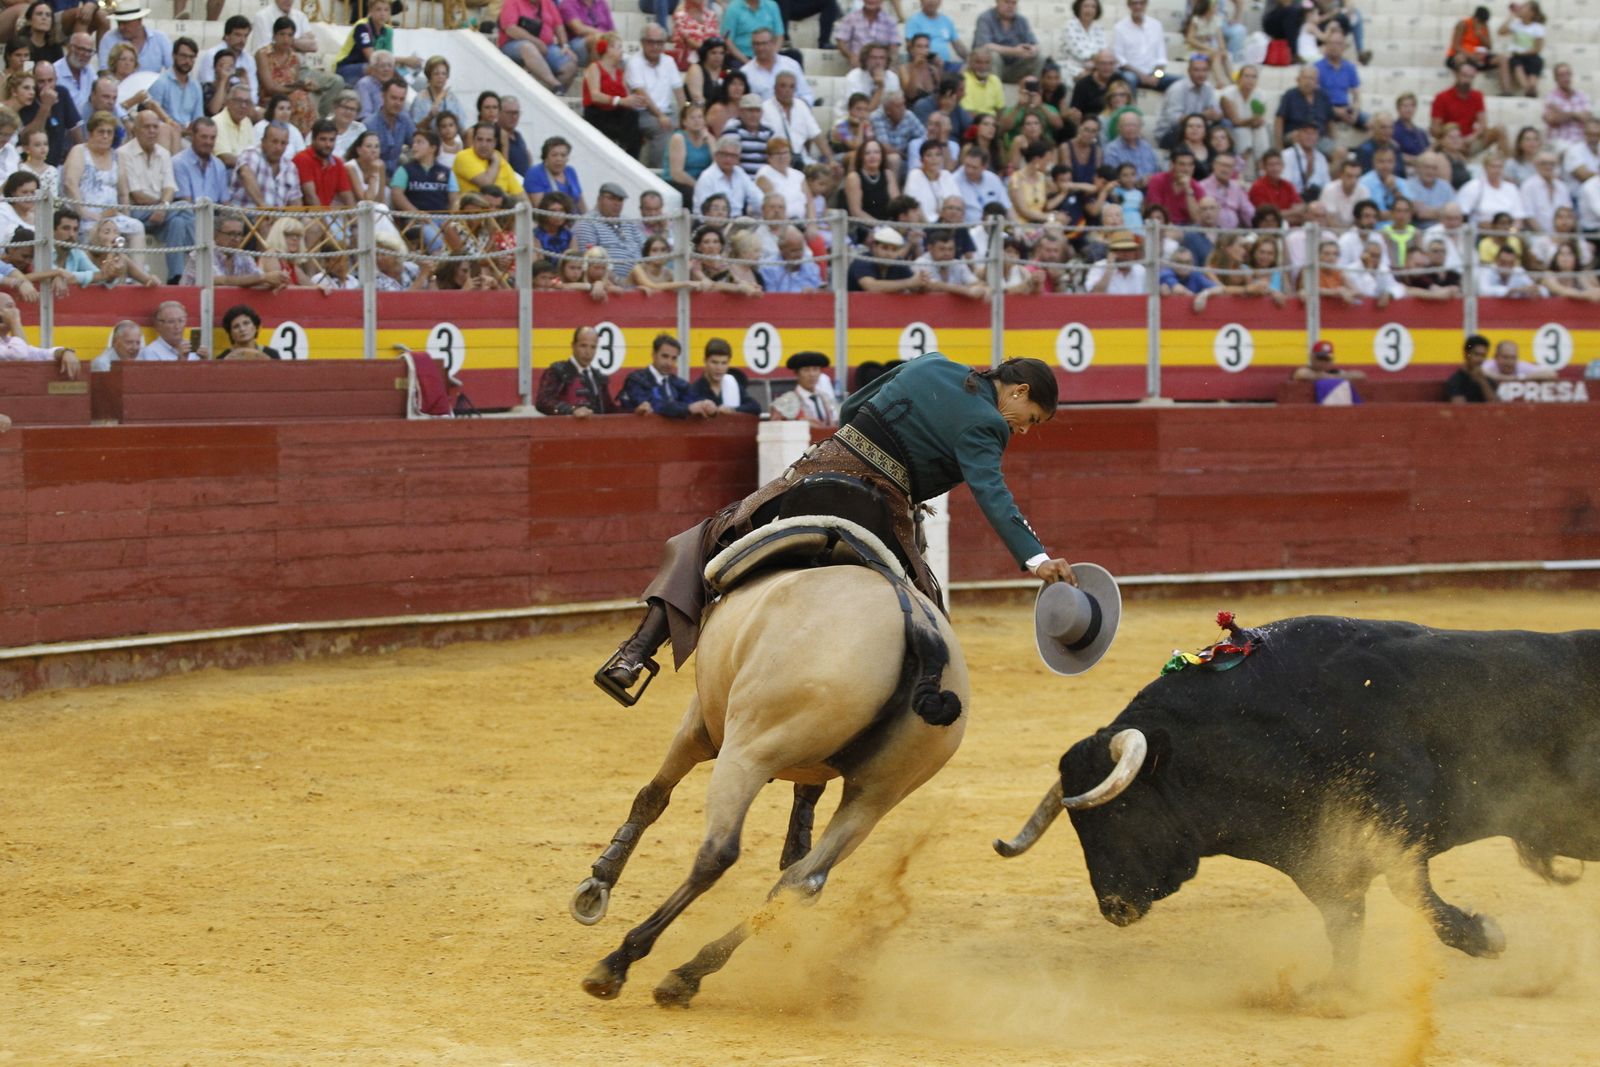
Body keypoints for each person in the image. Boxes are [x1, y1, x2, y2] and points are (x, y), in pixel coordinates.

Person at [597, 351, 1073, 703]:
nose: (1023, 430)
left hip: (820, 470)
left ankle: (634, 655)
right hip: (882, 507)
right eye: (1030, 419)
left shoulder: (930, 363)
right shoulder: (988, 423)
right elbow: (992, 491)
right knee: (926, 613)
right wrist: (1035, 556)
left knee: (714, 538)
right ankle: (923, 703)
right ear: (1019, 391)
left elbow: (851, 409)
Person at [617, 333, 717, 418]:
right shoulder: (636, 380)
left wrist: (707, 405)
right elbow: (655, 405)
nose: (669, 363)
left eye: (674, 358)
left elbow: (693, 399)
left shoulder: (676, 383)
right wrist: (687, 408)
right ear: (653, 354)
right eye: (665, 356)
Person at [536, 325, 614, 416]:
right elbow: (543, 402)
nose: (588, 352)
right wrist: (571, 410)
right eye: (583, 346)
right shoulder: (557, 372)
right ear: (573, 346)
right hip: (563, 429)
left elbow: (609, 409)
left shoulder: (598, 377)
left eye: (593, 347)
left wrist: (632, 410)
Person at [0, 290, 77, 375]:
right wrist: (15, 322)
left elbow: (42, 354)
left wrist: (64, 352)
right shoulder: (15, 346)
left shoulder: (8, 341)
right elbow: (20, 355)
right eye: (10, 307)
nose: (16, 312)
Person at [974, 0, 1041, 84]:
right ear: (997, 2)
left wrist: (1032, 49)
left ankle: (1033, 93)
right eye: (1007, 2)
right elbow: (984, 46)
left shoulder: (1022, 21)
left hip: (1015, 68)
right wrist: (1014, 51)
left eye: (1014, 3)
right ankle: (993, 91)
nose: (1010, 6)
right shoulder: (985, 18)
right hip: (991, 68)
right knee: (992, 56)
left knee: (1039, 58)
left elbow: (1036, 44)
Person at [1111, 0, 1172, 91]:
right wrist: (1141, 76)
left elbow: (1161, 58)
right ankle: (1131, 106)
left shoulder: (1156, 25)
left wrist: (1156, 76)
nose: (1138, 6)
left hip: (1153, 73)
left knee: (1181, 81)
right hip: (1130, 72)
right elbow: (1120, 59)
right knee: (1129, 79)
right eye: (1134, 3)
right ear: (1129, 5)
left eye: (1141, 3)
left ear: (1146, 4)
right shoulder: (1120, 27)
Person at [689, 337, 760, 414]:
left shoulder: (732, 384)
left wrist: (732, 410)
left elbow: (755, 407)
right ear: (705, 361)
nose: (719, 368)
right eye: (714, 362)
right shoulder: (695, 389)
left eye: (724, 363)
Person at [216, 305, 281, 360]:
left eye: (246, 323)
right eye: (236, 326)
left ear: (255, 327)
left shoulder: (272, 355)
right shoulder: (222, 359)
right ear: (230, 333)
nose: (242, 329)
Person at [1444, 333, 1496, 402]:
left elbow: (1495, 405)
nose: (1480, 359)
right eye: (1476, 354)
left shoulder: (1488, 381)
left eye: (1483, 355)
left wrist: (1482, 382)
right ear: (1466, 354)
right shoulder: (1456, 381)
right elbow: (1460, 408)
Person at [1482, 338, 1556, 381]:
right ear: (1496, 357)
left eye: (1513, 358)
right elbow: (1477, 372)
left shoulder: (1520, 366)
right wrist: (1507, 379)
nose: (1509, 362)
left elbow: (1551, 374)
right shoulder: (1490, 365)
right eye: (1505, 357)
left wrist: (1520, 377)